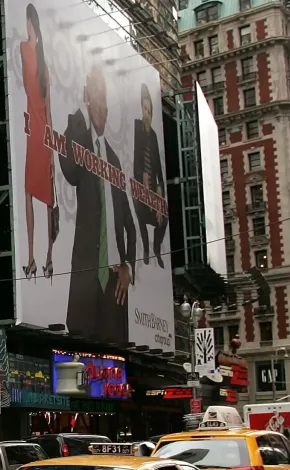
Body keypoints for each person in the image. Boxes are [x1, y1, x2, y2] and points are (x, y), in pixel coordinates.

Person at [61, 63, 135, 345]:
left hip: (114, 287)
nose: (102, 106)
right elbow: (69, 169)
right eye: (96, 96)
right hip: (86, 281)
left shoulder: (114, 160)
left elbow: (129, 222)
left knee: (115, 362)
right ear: (86, 97)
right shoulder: (78, 137)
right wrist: (77, 117)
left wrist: (129, 265)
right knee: (80, 356)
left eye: (105, 98)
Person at [20, 3, 57, 280]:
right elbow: (50, 109)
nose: (27, 27)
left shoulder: (31, 54)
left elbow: (49, 108)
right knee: (37, 194)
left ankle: (40, 257)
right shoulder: (36, 58)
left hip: (38, 133)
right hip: (39, 133)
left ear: (34, 26)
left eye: (29, 23)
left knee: (36, 195)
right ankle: (42, 257)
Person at [132, 83, 166, 274]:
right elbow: (136, 157)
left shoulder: (153, 135)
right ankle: (145, 248)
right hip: (138, 186)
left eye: (150, 111)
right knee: (139, 211)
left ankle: (156, 249)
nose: (147, 114)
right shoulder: (138, 128)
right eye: (145, 109)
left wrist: (159, 194)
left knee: (165, 218)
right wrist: (142, 176)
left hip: (153, 191)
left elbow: (159, 169)